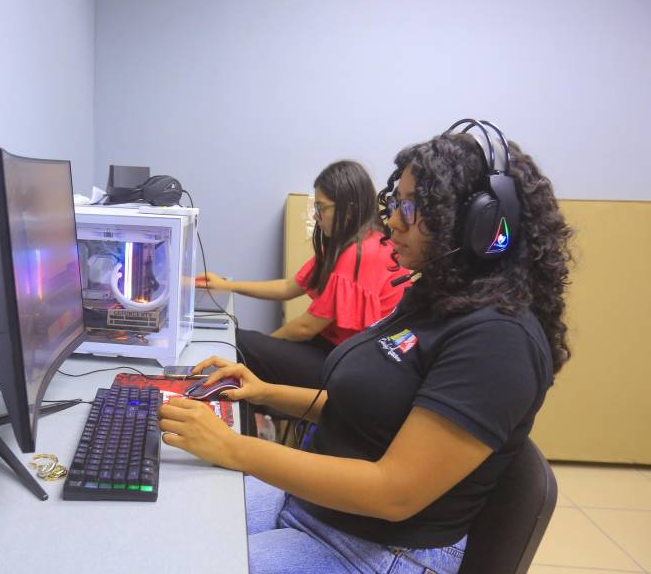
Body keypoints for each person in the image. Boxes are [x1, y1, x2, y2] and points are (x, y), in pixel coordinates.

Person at [159, 122, 573, 573]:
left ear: (478, 224)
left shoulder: (500, 340)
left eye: (413, 208)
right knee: (168, 512)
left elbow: (394, 492)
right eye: (398, 202)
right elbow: (371, 411)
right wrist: (263, 393)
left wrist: (232, 447)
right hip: (315, 509)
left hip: (377, 551)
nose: (394, 219)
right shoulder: (436, 298)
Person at [197, 160, 409, 388]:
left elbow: (305, 327)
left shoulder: (361, 253)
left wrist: (264, 347)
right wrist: (227, 286)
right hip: (336, 350)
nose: (317, 216)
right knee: (248, 349)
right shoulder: (349, 245)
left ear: (348, 209)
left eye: (321, 207)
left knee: (240, 345)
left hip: (354, 369)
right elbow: (289, 286)